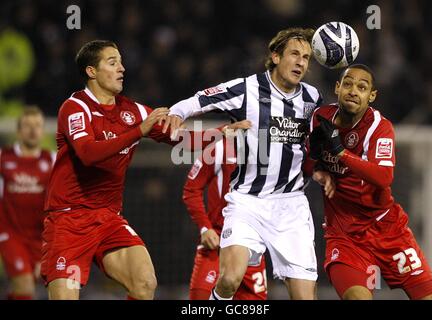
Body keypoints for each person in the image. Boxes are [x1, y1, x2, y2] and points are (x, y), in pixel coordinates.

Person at [40, 40, 245, 300]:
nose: (122, 68)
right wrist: (139, 131)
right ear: (92, 71)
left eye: (121, 62)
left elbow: (178, 137)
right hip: (69, 221)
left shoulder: (133, 110)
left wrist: (220, 134)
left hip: (109, 220)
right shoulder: (75, 107)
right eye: (112, 62)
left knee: (145, 282)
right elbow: (88, 154)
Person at [165, 27, 334, 300]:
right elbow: (202, 99)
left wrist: (321, 170)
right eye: (294, 54)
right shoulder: (246, 88)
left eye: (306, 57)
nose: (301, 62)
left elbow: (315, 143)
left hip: (291, 205)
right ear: (276, 57)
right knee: (230, 279)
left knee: (304, 297)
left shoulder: (312, 98)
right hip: (247, 203)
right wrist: (177, 111)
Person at [309, 64, 432, 300]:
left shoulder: (379, 127)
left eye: (362, 87)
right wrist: (317, 168)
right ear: (337, 88)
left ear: (371, 96)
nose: (353, 91)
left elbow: (384, 176)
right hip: (345, 236)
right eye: (347, 84)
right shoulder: (320, 119)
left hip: (387, 230)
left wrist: (340, 152)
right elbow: (306, 165)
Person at [183, 134, 268, 300]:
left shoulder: (270, 150)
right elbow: (191, 189)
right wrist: (205, 228)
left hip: (251, 246)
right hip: (217, 246)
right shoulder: (220, 149)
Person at [0, 106, 54, 299]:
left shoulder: (52, 161)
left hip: (40, 238)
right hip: (10, 234)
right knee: (25, 285)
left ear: (42, 130)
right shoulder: (3, 158)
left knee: (25, 289)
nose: (32, 130)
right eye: (27, 125)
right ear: (19, 131)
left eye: (37, 125)